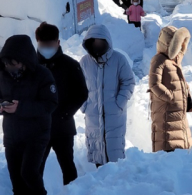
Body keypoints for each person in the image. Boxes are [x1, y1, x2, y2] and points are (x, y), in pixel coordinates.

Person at [0, 35, 58, 195]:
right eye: (6, 64)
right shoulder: (3, 75)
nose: (10, 68)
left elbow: (50, 104)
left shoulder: (42, 75)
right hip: (12, 136)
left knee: (29, 174)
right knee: (16, 181)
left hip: (36, 135)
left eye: (14, 64)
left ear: (24, 60)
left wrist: (21, 108)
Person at [35, 22, 88, 185]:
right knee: (35, 169)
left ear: (58, 43)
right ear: (37, 43)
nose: (47, 49)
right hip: (38, 128)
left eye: (50, 45)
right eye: (43, 45)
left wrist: (66, 113)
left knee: (68, 168)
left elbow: (82, 93)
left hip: (63, 127)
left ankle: (72, 194)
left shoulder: (71, 65)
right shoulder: (31, 66)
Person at [80, 25, 135, 167]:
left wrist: (119, 103)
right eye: (94, 42)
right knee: (97, 151)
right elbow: (78, 86)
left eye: (101, 41)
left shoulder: (119, 59)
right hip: (93, 116)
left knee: (115, 153)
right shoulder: (85, 62)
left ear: (107, 42)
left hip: (114, 116)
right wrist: (85, 105)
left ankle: (116, 183)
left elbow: (128, 82)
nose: (97, 45)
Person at [149, 26, 192, 152]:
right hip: (166, 108)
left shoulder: (174, 60)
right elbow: (154, 84)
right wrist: (170, 97)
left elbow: (181, 53)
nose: (180, 47)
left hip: (177, 109)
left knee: (180, 137)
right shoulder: (158, 60)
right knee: (168, 139)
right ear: (168, 44)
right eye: (177, 44)